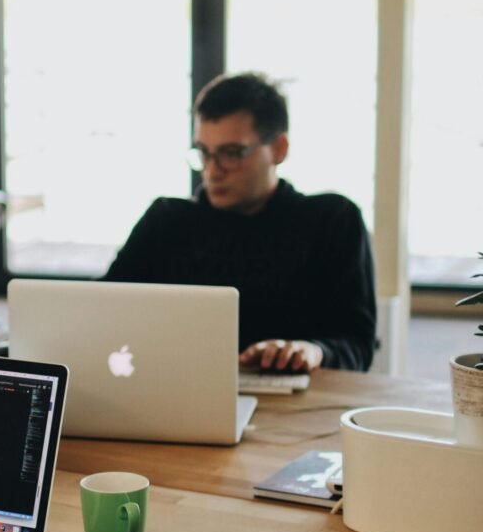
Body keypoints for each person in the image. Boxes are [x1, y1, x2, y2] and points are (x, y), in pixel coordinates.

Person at [103, 72, 377, 372]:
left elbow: (357, 345)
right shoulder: (166, 221)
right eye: (204, 153)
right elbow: (102, 310)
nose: (212, 171)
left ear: (279, 149)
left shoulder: (333, 221)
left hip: (297, 406)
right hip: (177, 394)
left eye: (231, 154)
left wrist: (313, 351)